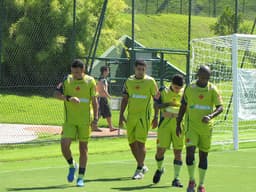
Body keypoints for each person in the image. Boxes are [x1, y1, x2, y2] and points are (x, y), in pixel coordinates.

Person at [176, 65, 223, 192]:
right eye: (202, 77)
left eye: (206, 78)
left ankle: (201, 185)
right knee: (190, 153)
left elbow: (220, 107)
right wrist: (178, 123)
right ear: (198, 76)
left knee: (203, 157)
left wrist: (210, 115)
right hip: (191, 127)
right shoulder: (190, 88)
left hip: (206, 129)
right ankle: (191, 181)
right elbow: (183, 105)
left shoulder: (213, 89)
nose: (204, 80)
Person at [54, 59, 98, 187]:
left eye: (78, 73)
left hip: (85, 121)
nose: (75, 75)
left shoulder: (90, 82)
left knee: (83, 148)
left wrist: (95, 119)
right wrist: (68, 98)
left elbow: (95, 102)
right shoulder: (66, 80)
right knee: (64, 145)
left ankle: (80, 177)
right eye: (73, 72)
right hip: (70, 121)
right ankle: (72, 165)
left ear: (83, 71)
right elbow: (56, 94)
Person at [119, 60, 159, 180]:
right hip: (131, 116)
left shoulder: (150, 81)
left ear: (145, 70)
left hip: (144, 117)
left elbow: (157, 100)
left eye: (143, 69)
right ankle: (142, 165)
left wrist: (156, 116)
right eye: (139, 69)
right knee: (131, 143)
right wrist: (121, 115)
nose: (141, 72)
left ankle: (139, 169)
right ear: (134, 69)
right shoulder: (129, 81)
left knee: (141, 143)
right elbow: (125, 99)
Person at [152, 74, 185, 187]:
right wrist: (167, 105)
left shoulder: (185, 93)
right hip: (164, 125)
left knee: (178, 152)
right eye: (176, 88)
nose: (177, 90)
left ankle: (176, 178)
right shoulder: (163, 90)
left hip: (179, 125)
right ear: (171, 83)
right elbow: (156, 105)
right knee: (160, 151)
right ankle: (160, 169)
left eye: (179, 88)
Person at [96, 66, 118, 132]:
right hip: (102, 99)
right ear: (104, 71)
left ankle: (110, 127)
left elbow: (97, 88)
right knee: (102, 113)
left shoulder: (100, 79)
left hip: (100, 98)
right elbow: (103, 89)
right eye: (108, 71)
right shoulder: (103, 80)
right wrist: (109, 96)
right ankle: (94, 126)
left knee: (104, 113)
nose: (108, 72)